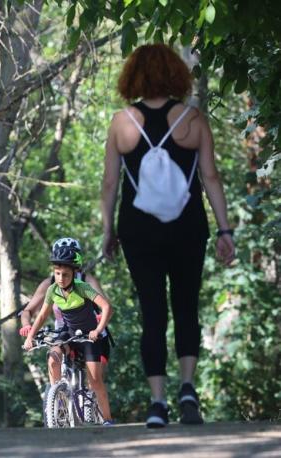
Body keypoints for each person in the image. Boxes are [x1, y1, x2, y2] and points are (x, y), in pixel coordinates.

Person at [100, 44, 235, 428]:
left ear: (134, 77)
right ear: (176, 74)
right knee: (186, 306)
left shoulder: (121, 122)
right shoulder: (192, 119)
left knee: (153, 312)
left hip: (139, 230)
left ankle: (157, 403)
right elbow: (211, 177)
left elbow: (111, 182)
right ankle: (187, 387)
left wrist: (107, 231)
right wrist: (225, 229)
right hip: (188, 227)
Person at [23, 244, 114, 425]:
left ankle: (108, 420)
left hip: (88, 335)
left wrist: (97, 330)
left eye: (65, 274)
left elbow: (107, 308)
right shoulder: (52, 290)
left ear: (74, 273)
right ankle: (58, 401)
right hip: (67, 333)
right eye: (57, 273)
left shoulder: (83, 287)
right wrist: (30, 336)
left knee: (95, 381)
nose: (61, 278)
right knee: (52, 357)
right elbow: (41, 316)